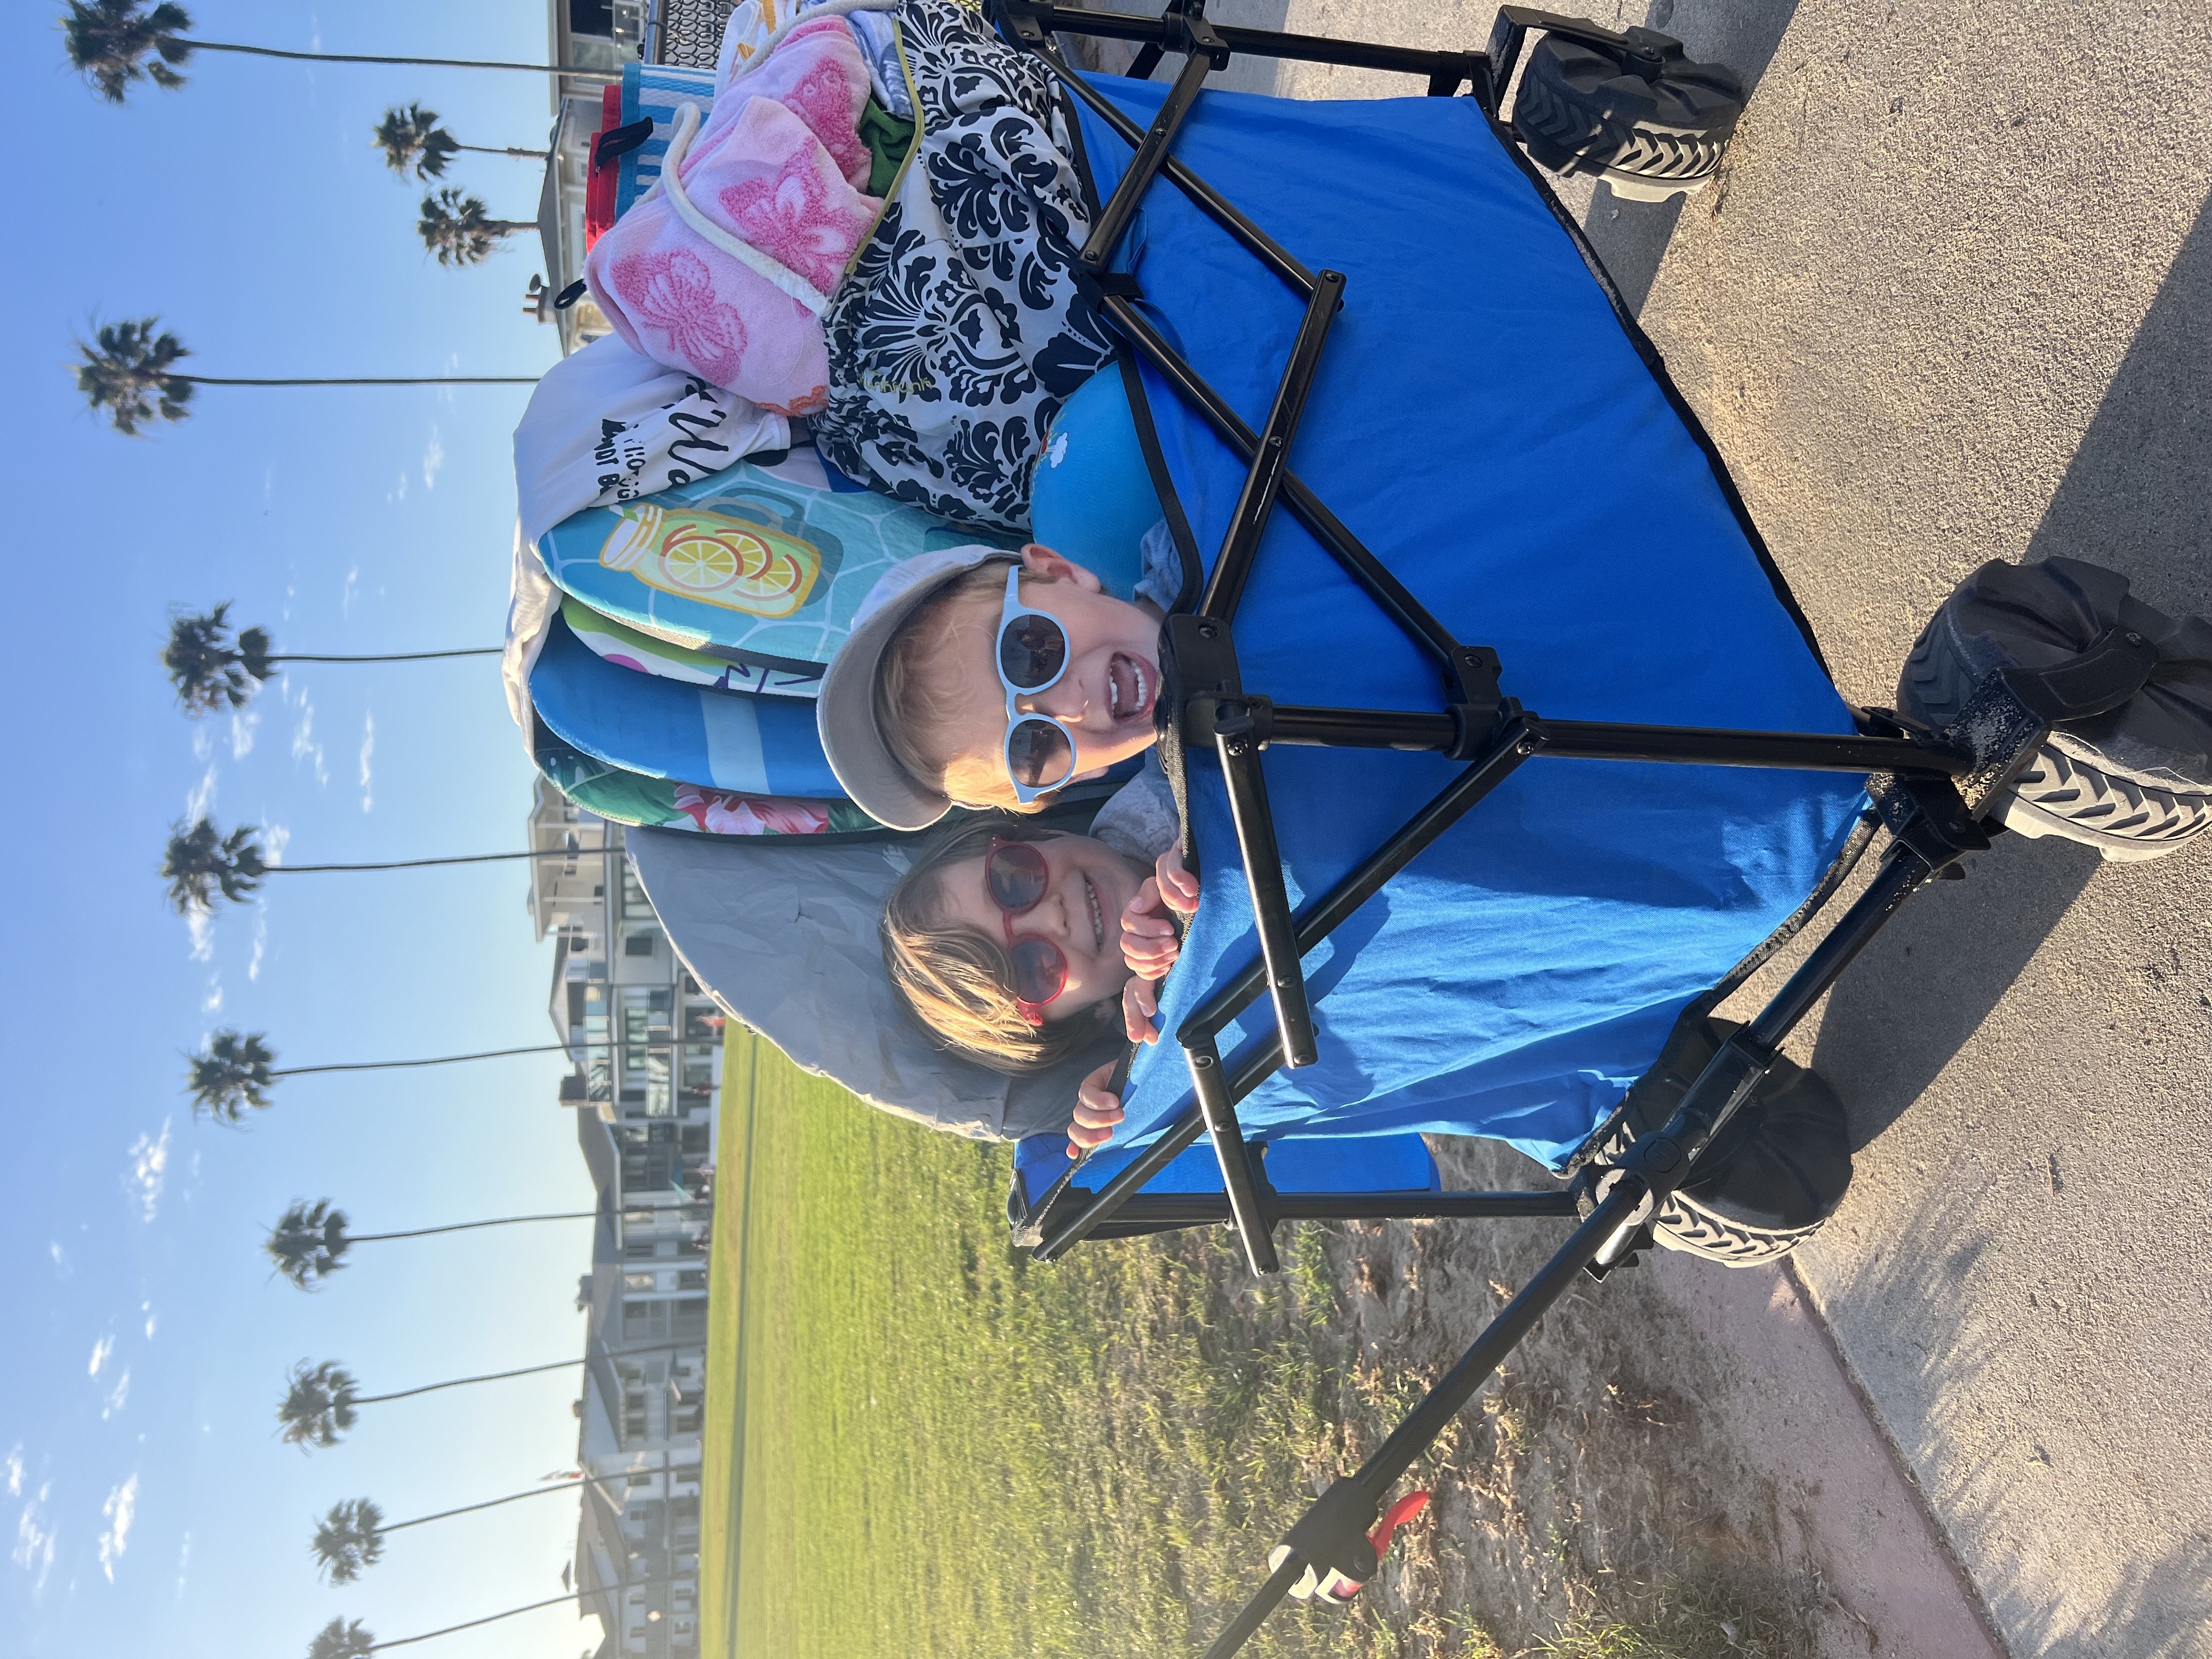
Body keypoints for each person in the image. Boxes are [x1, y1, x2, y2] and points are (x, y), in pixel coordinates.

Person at [879, 817, 1199, 1158]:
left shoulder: (1159, 802)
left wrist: (1196, 854)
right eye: (1031, 971)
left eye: (1014, 880)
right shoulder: (1146, 1029)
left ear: (1041, 834)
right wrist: (1141, 1083)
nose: (1052, 916)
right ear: (1094, 1014)